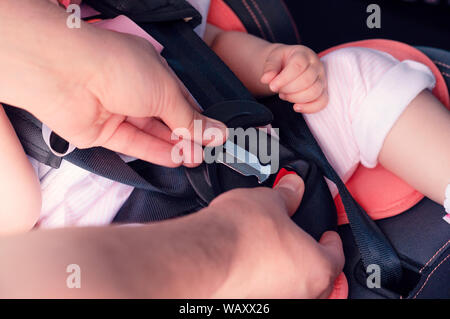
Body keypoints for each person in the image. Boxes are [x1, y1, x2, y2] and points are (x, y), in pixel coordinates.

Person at [0, 0, 345, 298]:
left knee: (348, 76)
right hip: (96, 245)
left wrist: (270, 61)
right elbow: (16, 208)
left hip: (235, 157)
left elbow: (203, 47)